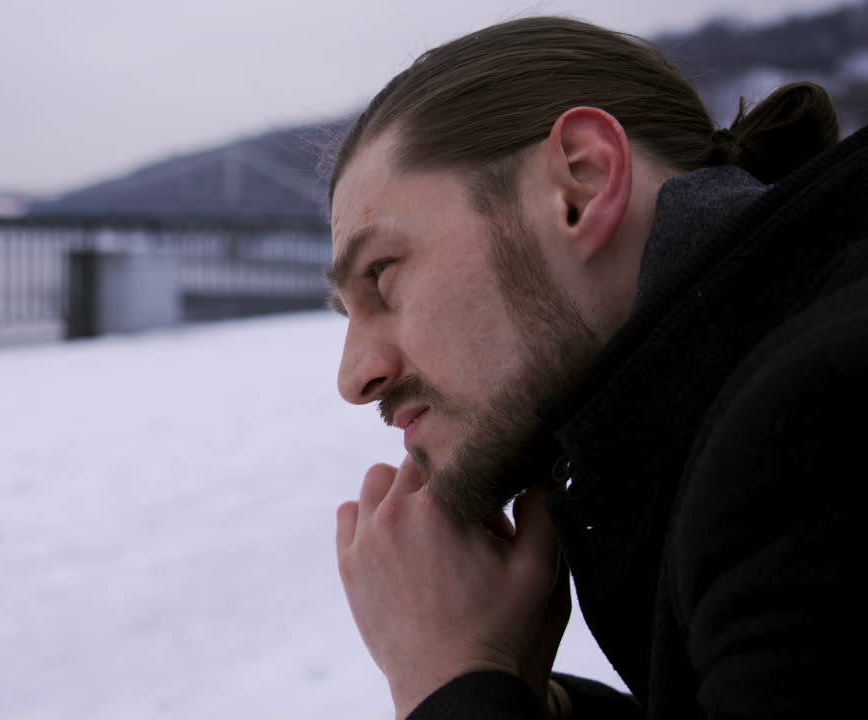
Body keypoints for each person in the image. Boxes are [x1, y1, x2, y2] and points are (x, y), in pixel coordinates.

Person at [326, 16, 867, 720]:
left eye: (383, 274)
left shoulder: (814, 431)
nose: (354, 376)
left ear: (581, 185)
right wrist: (517, 699)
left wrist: (451, 688)